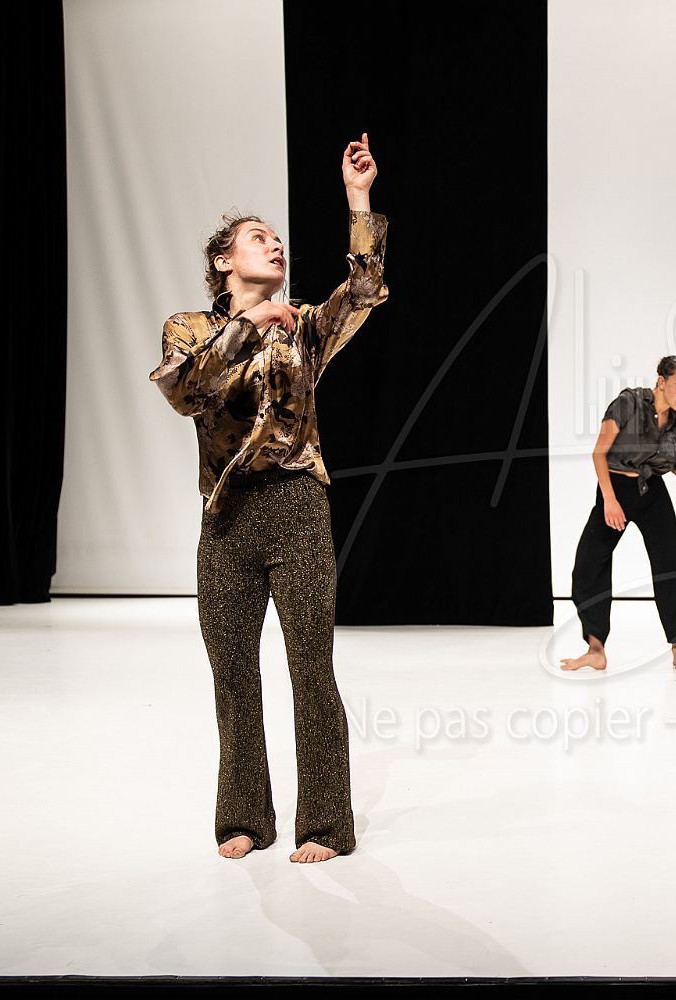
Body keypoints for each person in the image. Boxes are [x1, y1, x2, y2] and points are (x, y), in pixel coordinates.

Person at [150, 133, 386, 862]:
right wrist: (249, 325)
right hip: (225, 520)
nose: (275, 245)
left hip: (296, 508)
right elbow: (186, 391)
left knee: (311, 670)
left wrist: (358, 200)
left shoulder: (305, 329)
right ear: (224, 262)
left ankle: (325, 824)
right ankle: (245, 816)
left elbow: (364, 291)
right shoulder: (191, 329)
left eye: (278, 239)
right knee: (233, 675)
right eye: (259, 238)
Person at [560, 357, 676, 672]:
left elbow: (675, 463)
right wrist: (609, 500)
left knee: (668, 566)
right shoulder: (628, 403)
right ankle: (595, 649)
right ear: (661, 381)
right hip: (615, 489)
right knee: (588, 567)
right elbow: (599, 452)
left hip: (651, 492)